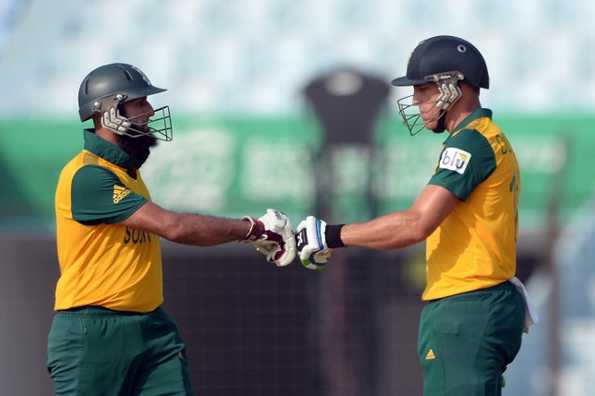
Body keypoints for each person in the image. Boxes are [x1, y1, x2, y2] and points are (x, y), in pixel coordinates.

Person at [296, 35, 535, 396]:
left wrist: (328, 235)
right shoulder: (486, 136)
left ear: (454, 86)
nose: (417, 101)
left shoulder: (470, 141)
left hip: (466, 306)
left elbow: (415, 224)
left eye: (424, 89)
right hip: (480, 302)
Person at [47, 63, 295, 396]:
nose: (149, 111)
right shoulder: (88, 175)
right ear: (108, 112)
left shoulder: (126, 172)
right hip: (93, 332)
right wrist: (253, 228)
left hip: (151, 328)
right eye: (138, 103)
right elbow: (174, 227)